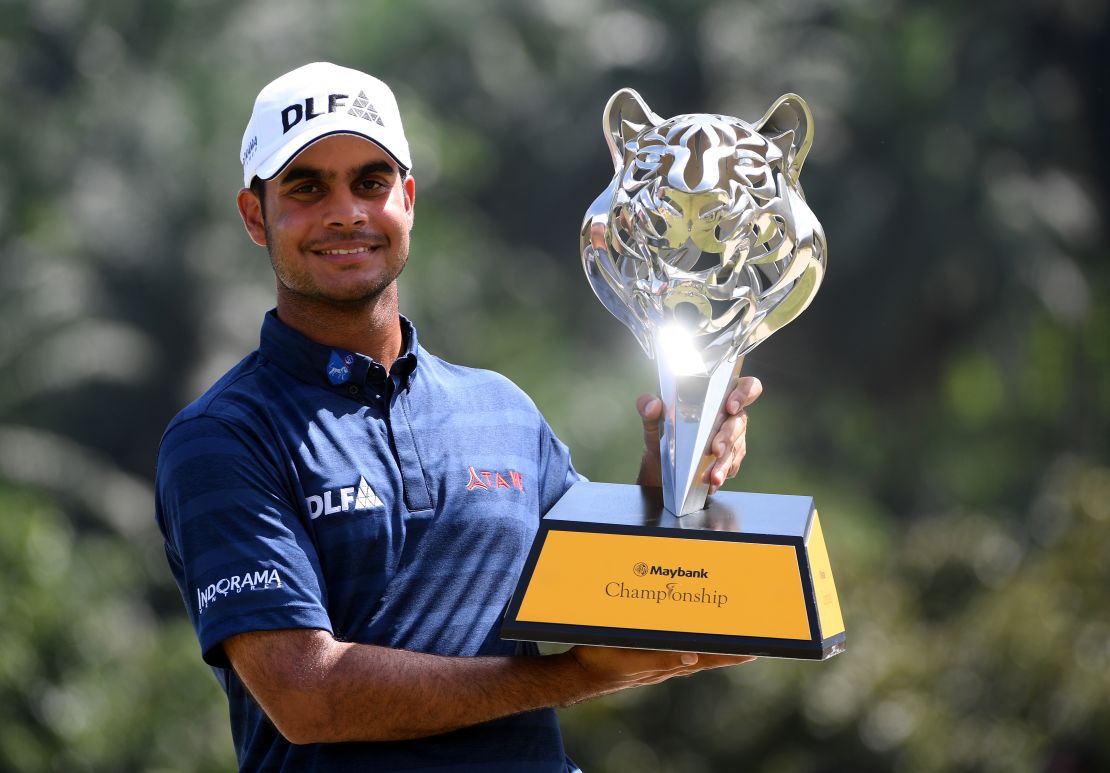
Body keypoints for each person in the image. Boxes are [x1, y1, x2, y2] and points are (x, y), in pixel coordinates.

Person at [154, 62, 763, 772]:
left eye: (371, 181)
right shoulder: (224, 437)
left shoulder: (501, 408)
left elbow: (615, 585)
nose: (347, 211)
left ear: (408, 199)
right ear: (256, 216)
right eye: (306, 186)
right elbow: (308, 695)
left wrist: (676, 469)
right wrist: (573, 677)